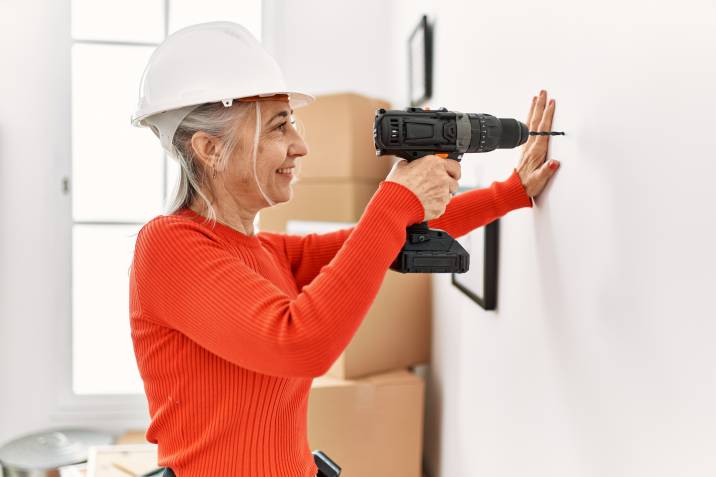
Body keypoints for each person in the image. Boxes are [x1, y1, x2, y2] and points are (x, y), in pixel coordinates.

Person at [128, 21, 559, 477]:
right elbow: (301, 343)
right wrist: (396, 198)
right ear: (210, 148)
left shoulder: (262, 252)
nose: (301, 145)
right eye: (279, 127)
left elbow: (384, 237)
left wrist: (511, 192)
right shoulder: (168, 247)